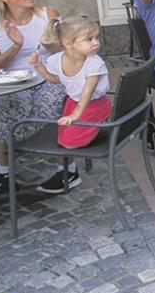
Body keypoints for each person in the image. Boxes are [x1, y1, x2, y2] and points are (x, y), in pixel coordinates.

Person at [0, 0, 68, 194]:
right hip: (7, 84)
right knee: (14, 105)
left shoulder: (48, 15)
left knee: (53, 101)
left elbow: (67, 53)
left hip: (48, 77)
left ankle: (66, 169)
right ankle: (4, 172)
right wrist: (15, 45)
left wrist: (51, 46)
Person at [27, 16, 110, 191]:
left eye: (97, 38)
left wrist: (75, 116)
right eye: (89, 39)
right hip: (74, 102)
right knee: (63, 138)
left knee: (70, 143)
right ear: (68, 43)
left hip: (94, 106)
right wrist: (39, 67)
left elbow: (87, 93)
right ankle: (69, 171)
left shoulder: (94, 63)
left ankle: (101, 128)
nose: (96, 43)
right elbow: (56, 79)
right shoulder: (57, 60)